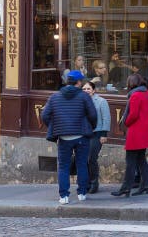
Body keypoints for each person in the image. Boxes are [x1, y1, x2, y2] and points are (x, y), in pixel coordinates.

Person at [41, 70, 97, 204]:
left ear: (67, 82)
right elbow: (93, 115)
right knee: (82, 164)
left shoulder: (55, 97)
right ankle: (82, 193)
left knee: (63, 166)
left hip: (64, 136)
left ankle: (64, 196)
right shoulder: (84, 96)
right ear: (78, 82)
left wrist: (54, 127)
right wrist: (91, 127)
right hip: (81, 135)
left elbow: (45, 116)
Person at [112, 73, 148, 197]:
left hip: (136, 132)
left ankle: (126, 188)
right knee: (141, 159)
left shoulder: (135, 96)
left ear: (130, 84)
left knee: (130, 161)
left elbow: (133, 115)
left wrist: (125, 122)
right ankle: (146, 185)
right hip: (147, 131)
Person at [82, 81, 110, 194]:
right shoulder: (80, 101)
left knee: (91, 158)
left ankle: (94, 183)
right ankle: (86, 183)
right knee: (83, 159)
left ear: (93, 90)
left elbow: (106, 118)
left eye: (88, 89)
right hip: (83, 134)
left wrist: (104, 134)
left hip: (97, 134)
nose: (86, 91)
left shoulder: (101, 101)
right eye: (83, 89)